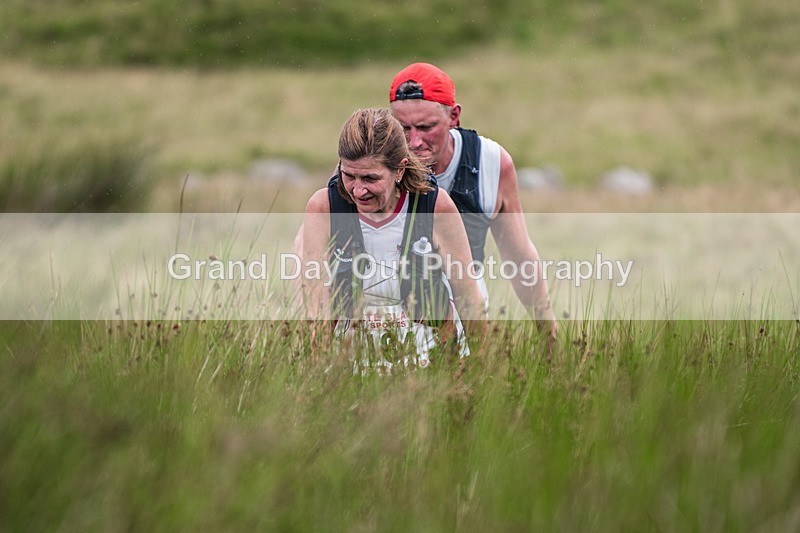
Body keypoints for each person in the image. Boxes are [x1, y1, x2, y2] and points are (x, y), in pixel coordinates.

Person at [388, 62, 558, 347]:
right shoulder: (371, 163)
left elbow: (518, 257)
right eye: (403, 128)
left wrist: (546, 329)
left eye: (427, 127)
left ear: (454, 116)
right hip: (386, 313)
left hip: (466, 315)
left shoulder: (492, 163)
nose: (414, 141)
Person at [302, 108, 487, 368]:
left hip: (431, 361)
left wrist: (485, 372)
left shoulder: (433, 205)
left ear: (399, 170)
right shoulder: (324, 207)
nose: (357, 189)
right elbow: (316, 306)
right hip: (348, 367)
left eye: (370, 178)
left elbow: (468, 299)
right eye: (348, 175)